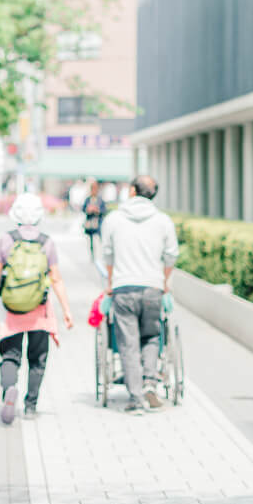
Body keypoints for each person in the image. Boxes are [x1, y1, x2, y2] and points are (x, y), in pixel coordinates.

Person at [0, 193, 72, 424]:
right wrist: (66, 310)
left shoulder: (6, 240)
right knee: (37, 358)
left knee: (10, 355)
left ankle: (9, 390)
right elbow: (56, 279)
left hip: (12, 307)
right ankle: (30, 406)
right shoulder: (47, 242)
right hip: (39, 309)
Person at [100, 174, 179, 414]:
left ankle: (135, 398)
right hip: (153, 286)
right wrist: (164, 281)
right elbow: (171, 255)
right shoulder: (163, 221)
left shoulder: (114, 219)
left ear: (133, 191)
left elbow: (107, 254)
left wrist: (111, 282)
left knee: (128, 342)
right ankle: (150, 383)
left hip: (123, 287)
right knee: (153, 336)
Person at [81, 179, 106, 263]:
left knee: (98, 241)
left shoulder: (100, 200)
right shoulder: (88, 199)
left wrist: (97, 210)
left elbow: (104, 210)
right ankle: (92, 256)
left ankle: (99, 256)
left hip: (97, 223)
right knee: (90, 242)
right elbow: (83, 209)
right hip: (90, 224)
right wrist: (88, 209)